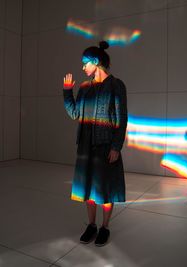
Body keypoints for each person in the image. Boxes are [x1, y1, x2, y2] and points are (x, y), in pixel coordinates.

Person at [63, 41, 127, 246]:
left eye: (85, 63)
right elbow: (74, 114)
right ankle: (91, 225)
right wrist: (67, 92)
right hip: (85, 146)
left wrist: (116, 147)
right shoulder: (83, 87)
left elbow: (121, 118)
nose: (82, 67)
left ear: (96, 62)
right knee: (88, 188)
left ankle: (104, 227)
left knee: (105, 189)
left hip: (106, 146)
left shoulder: (116, 85)